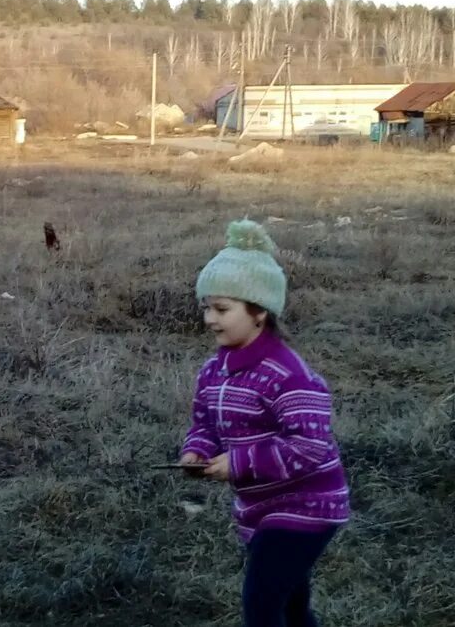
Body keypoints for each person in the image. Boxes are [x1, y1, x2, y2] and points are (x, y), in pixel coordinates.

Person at [179, 221, 350, 627]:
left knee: (260, 606)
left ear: (259, 313)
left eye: (222, 309)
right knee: (290, 605)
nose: (209, 318)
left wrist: (237, 463)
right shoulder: (213, 371)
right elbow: (204, 421)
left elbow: (310, 447)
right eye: (206, 307)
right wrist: (197, 450)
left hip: (308, 505)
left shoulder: (288, 375)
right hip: (259, 505)